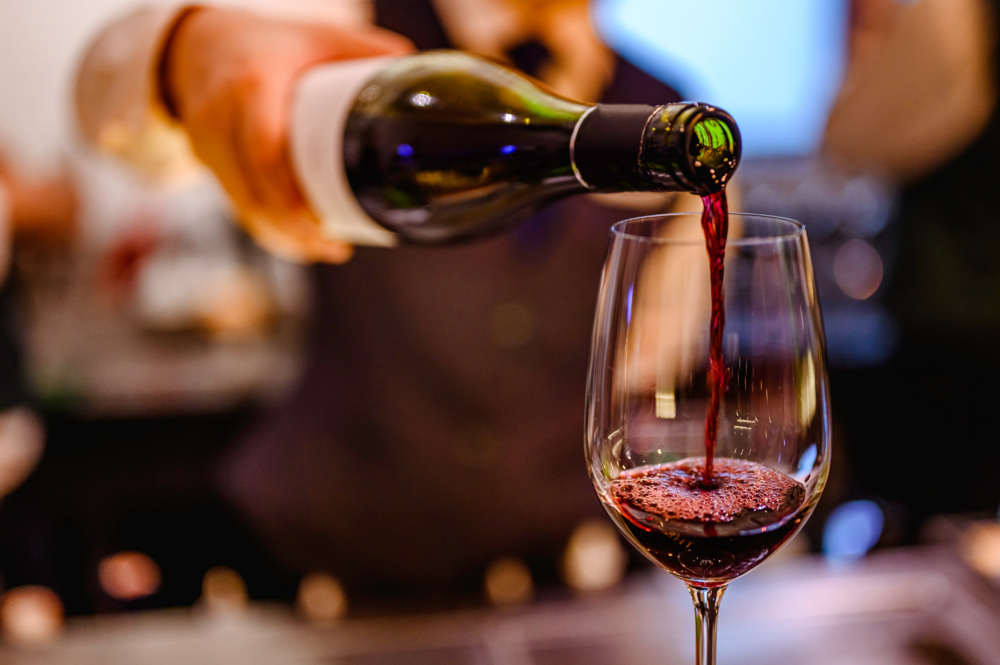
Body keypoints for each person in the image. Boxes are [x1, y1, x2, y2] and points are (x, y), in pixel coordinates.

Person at [73, 0, 705, 608]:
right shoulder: (354, 34)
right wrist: (186, 50)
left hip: (560, 585)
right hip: (328, 571)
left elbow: (653, 358)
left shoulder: (664, 113)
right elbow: (103, 100)